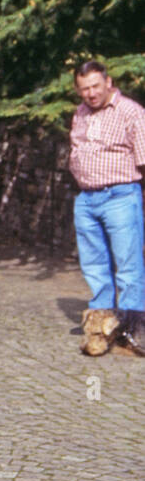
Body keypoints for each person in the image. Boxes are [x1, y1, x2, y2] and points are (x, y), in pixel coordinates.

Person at [68, 61, 145, 321]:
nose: (91, 93)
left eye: (95, 86)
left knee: (128, 266)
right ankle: (101, 323)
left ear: (108, 82)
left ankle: (132, 327)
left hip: (120, 197)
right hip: (86, 199)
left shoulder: (131, 112)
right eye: (84, 89)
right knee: (94, 266)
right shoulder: (80, 112)